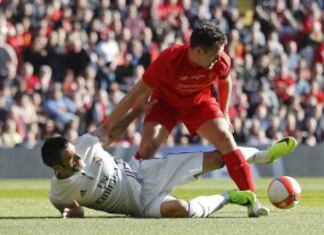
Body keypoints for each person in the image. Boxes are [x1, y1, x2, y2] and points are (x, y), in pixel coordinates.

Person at [102, 22, 297, 204]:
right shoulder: (168, 61)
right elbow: (132, 95)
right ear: (197, 51)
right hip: (165, 104)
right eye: (214, 55)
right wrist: (107, 127)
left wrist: (225, 112)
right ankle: (132, 191)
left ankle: (251, 201)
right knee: (147, 149)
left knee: (225, 138)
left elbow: (224, 81)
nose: (218, 59)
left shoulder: (221, 61)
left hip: (199, 102)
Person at [41, 97, 298, 218]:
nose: (79, 159)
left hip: (144, 172)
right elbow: (74, 212)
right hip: (139, 207)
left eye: (75, 154)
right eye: (71, 160)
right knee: (180, 210)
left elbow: (110, 132)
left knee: (218, 159)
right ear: (57, 168)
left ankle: (264, 156)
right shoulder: (58, 195)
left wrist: (138, 111)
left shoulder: (84, 145)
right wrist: (75, 214)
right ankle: (229, 197)